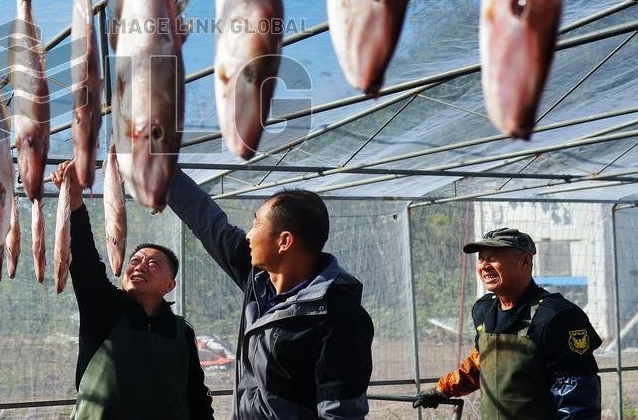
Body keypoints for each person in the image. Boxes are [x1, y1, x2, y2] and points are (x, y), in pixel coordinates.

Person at [166, 169, 374, 419]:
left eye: (256, 224)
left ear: (284, 241)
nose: (249, 236)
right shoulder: (259, 281)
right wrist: (162, 171)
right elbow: (208, 222)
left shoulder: (339, 316)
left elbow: (341, 414)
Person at [52, 160, 213, 420]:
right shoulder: (103, 309)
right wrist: (75, 203)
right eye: (135, 260)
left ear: (170, 285)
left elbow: (195, 394)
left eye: (153, 263)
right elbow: (85, 260)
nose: (140, 266)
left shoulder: (181, 331)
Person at [414, 227, 602, 420]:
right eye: (481, 258)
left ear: (525, 261)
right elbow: (481, 363)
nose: (484, 266)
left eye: (493, 257)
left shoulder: (558, 316)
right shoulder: (484, 310)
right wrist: (442, 390)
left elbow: (577, 397)